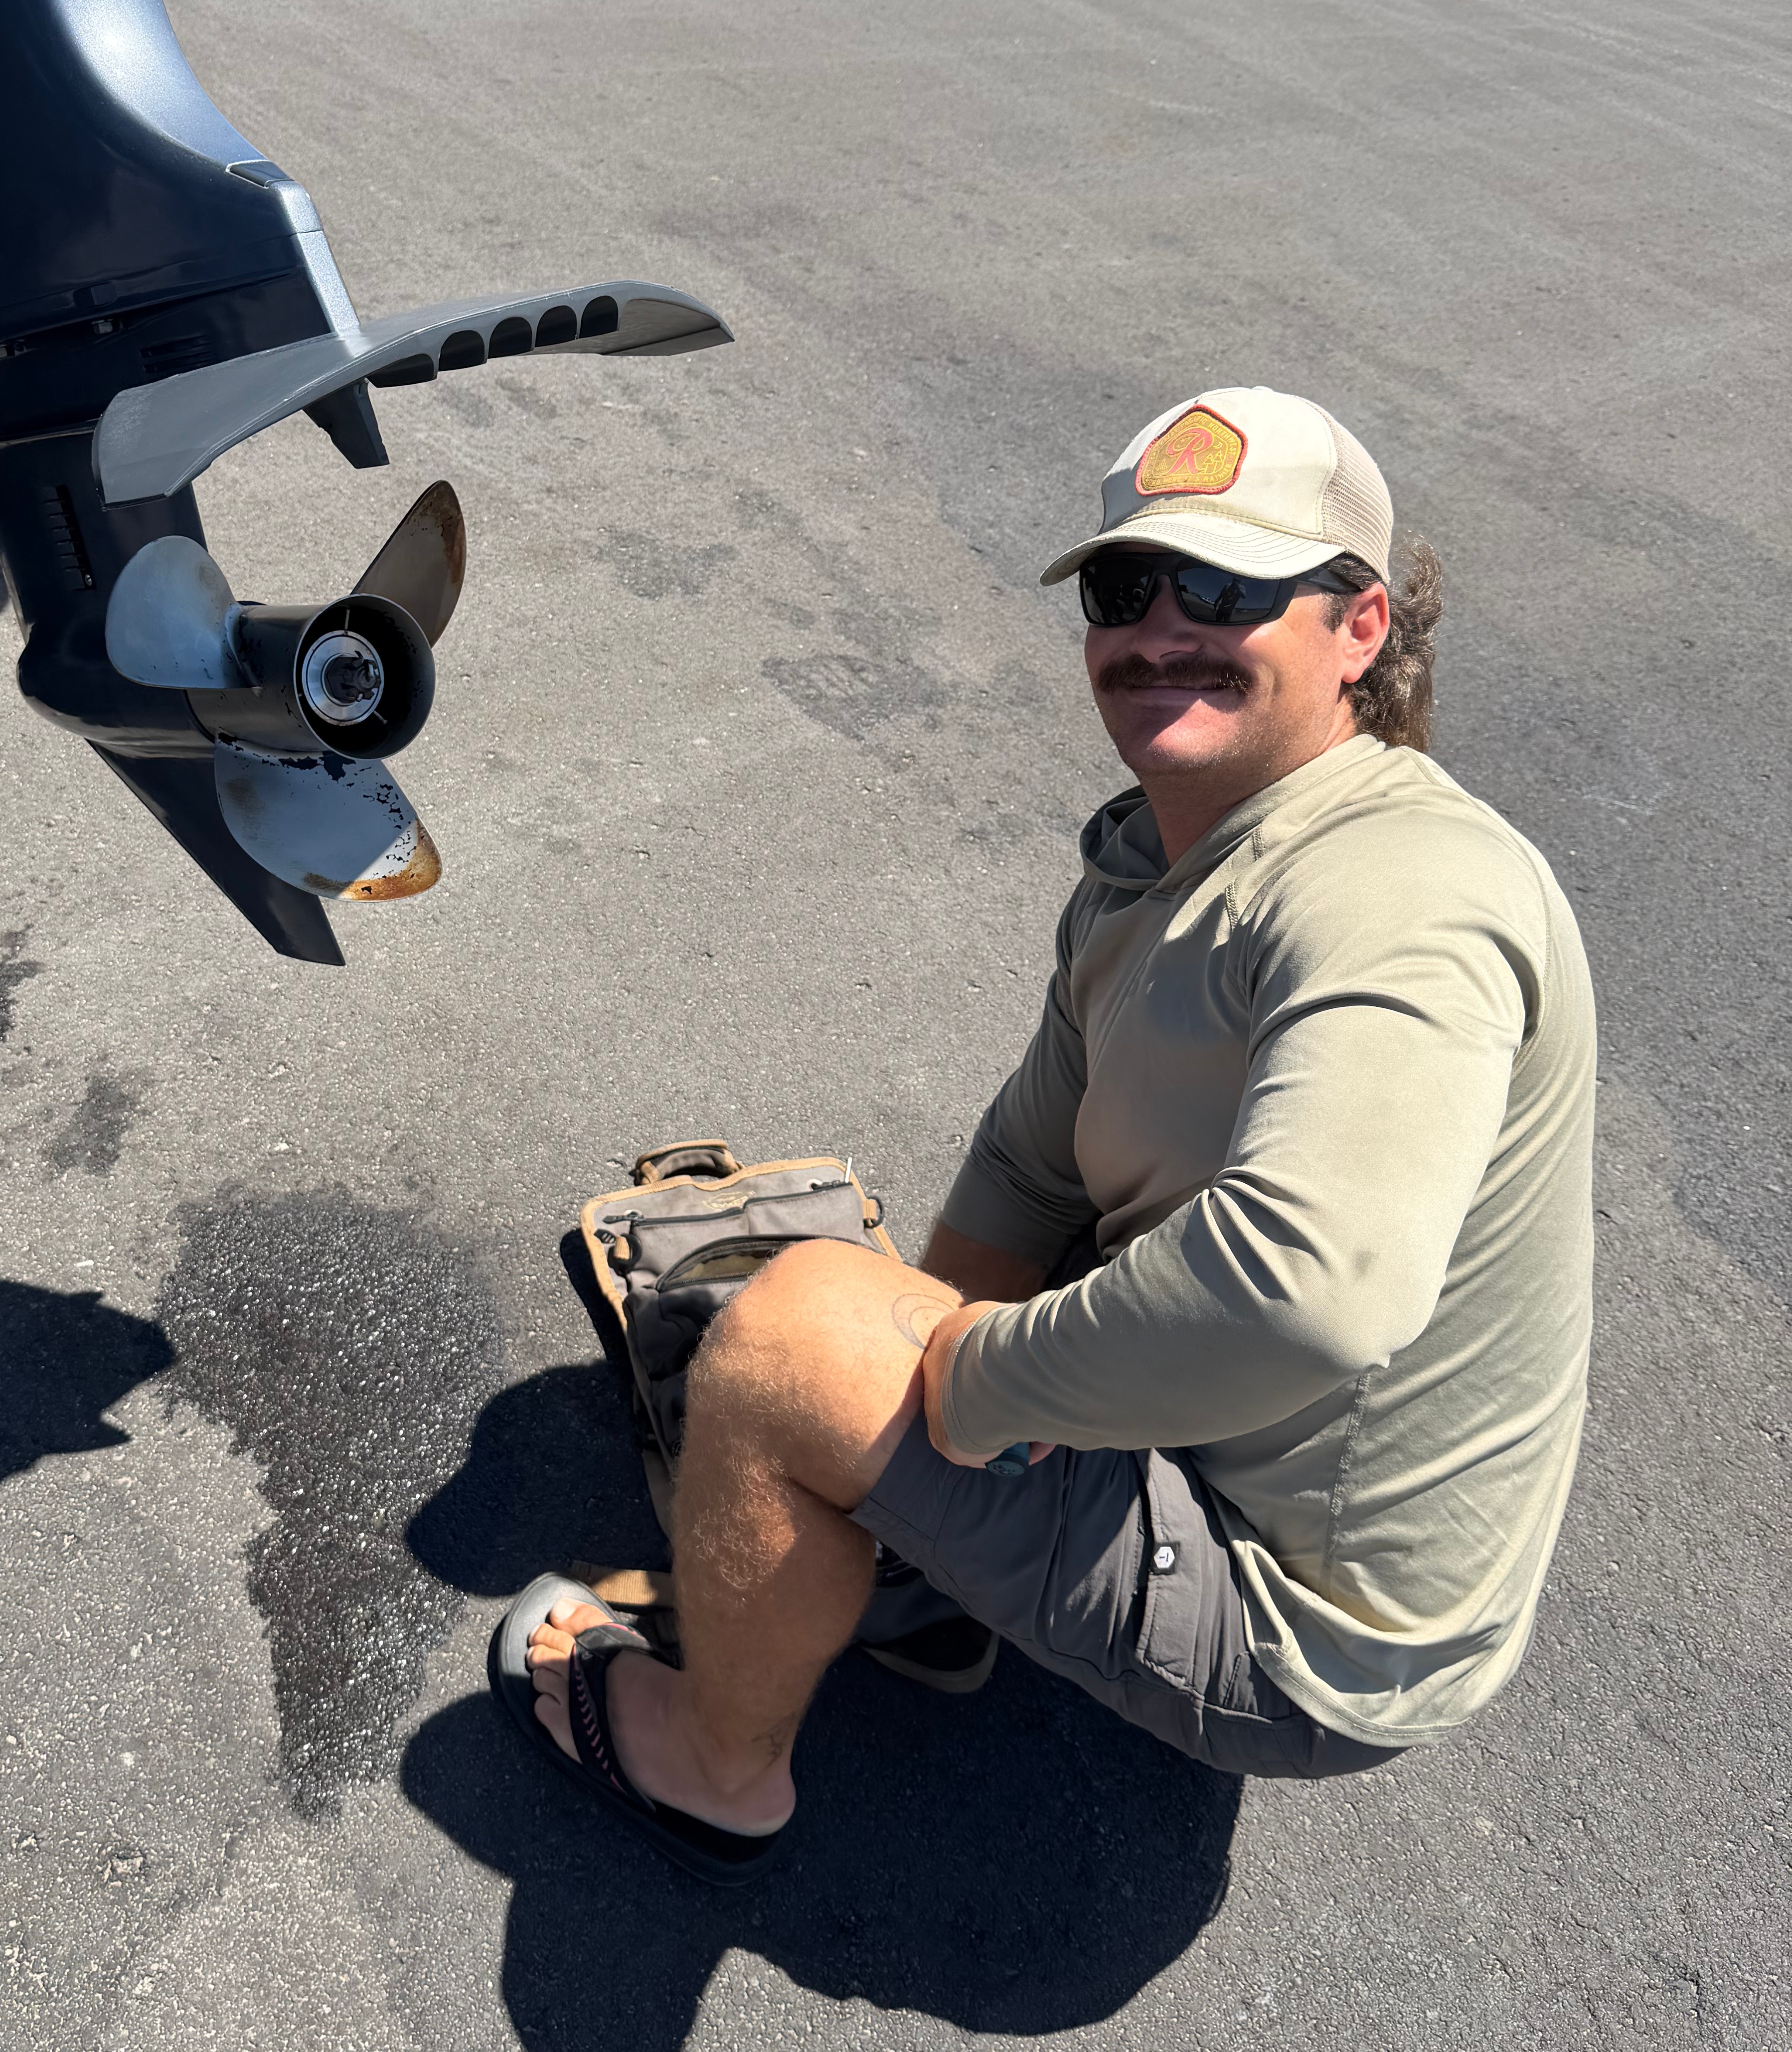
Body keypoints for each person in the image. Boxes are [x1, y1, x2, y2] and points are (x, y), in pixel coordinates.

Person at [490, 387, 1597, 1882]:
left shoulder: (1405, 893)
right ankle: (931, 1583)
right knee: (859, 1309)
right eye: (1121, 586)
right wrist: (904, 1462)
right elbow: (1031, 1159)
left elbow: (1312, 1286)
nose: (1156, 626)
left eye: (1223, 588)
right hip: (1225, 1452)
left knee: (797, 1329)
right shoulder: (1166, 857)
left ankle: (713, 1765)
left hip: (1309, 1629)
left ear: (1359, 627)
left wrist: (945, 1386)